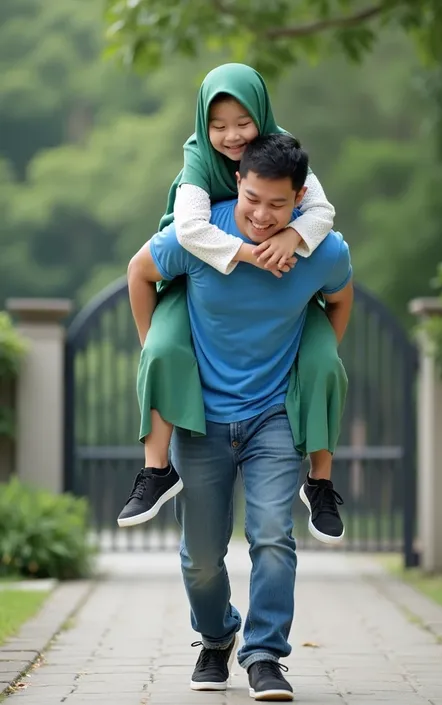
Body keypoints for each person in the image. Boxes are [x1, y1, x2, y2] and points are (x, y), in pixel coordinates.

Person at [126, 133, 353, 701]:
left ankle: (264, 655)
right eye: (253, 198)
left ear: (300, 199)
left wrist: (316, 357)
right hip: (201, 419)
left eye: (278, 204)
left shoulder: (321, 249)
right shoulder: (202, 235)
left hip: (274, 417)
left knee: (273, 536)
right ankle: (217, 635)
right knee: (201, 557)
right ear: (238, 185)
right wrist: (159, 353)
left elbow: (341, 297)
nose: (261, 215)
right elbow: (139, 271)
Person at [117, 64, 348, 545]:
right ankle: (156, 470)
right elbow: (189, 232)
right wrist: (250, 255)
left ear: (262, 116)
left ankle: (321, 481)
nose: (231, 135)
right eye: (218, 124)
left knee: (325, 360)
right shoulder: (198, 157)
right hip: (194, 266)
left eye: (243, 123)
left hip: (273, 260)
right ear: (204, 123)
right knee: (161, 351)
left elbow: (322, 211)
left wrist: (292, 235)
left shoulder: (284, 151)